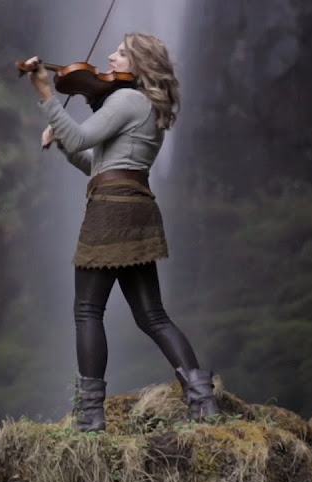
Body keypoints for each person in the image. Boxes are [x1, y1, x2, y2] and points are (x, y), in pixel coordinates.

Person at [24, 33, 221, 432]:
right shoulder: (147, 105)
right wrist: (62, 141)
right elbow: (97, 165)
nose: (110, 57)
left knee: (87, 310)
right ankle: (203, 401)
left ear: (140, 64)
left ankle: (89, 417)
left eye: (121, 53)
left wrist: (46, 93)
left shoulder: (126, 99)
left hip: (110, 211)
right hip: (138, 208)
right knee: (152, 315)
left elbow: (81, 137)